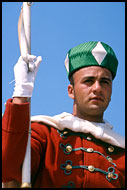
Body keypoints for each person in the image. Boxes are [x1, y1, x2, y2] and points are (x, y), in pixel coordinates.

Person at [2, 41, 125, 188]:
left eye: (105, 82)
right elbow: (8, 167)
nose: (97, 88)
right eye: (88, 81)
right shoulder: (44, 134)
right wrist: (21, 94)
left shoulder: (121, 153)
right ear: (71, 91)